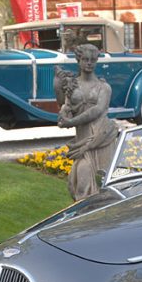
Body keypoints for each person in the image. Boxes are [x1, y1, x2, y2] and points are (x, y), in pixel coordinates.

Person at [55, 44, 119, 201]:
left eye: (92, 60)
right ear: (78, 60)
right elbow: (66, 106)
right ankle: (84, 221)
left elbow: (97, 110)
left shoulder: (104, 87)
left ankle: (100, 221)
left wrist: (71, 122)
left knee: (103, 189)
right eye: (85, 59)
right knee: (80, 185)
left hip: (101, 139)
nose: (89, 63)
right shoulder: (72, 85)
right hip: (81, 141)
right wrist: (63, 114)